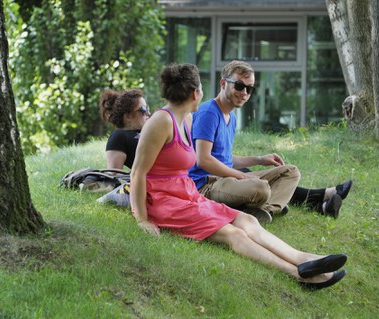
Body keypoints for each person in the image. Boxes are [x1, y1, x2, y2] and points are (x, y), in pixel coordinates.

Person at [129, 63, 347, 290]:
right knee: (234, 235)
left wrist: (257, 160)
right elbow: (137, 172)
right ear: (195, 93)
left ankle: (302, 258)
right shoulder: (160, 121)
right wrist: (142, 219)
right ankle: (299, 274)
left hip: (187, 194)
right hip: (165, 201)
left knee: (248, 220)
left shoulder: (187, 120)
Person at [189, 60, 352, 223]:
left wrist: (260, 160)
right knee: (261, 188)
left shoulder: (231, 117)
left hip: (227, 181)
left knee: (290, 172)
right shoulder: (209, 112)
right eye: (239, 86)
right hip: (207, 185)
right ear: (223, 83)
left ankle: (265, 211)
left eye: (249, 88)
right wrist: (241, 176)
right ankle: (267, 205)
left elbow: (225, 158)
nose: (244, 92)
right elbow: (203, 160)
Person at [99, 89, 151, 170]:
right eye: (143, 109)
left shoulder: (150, 131)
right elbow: (114, 175)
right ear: (128, 116)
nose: (148, 113)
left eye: (148, 108)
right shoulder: (118, 137)